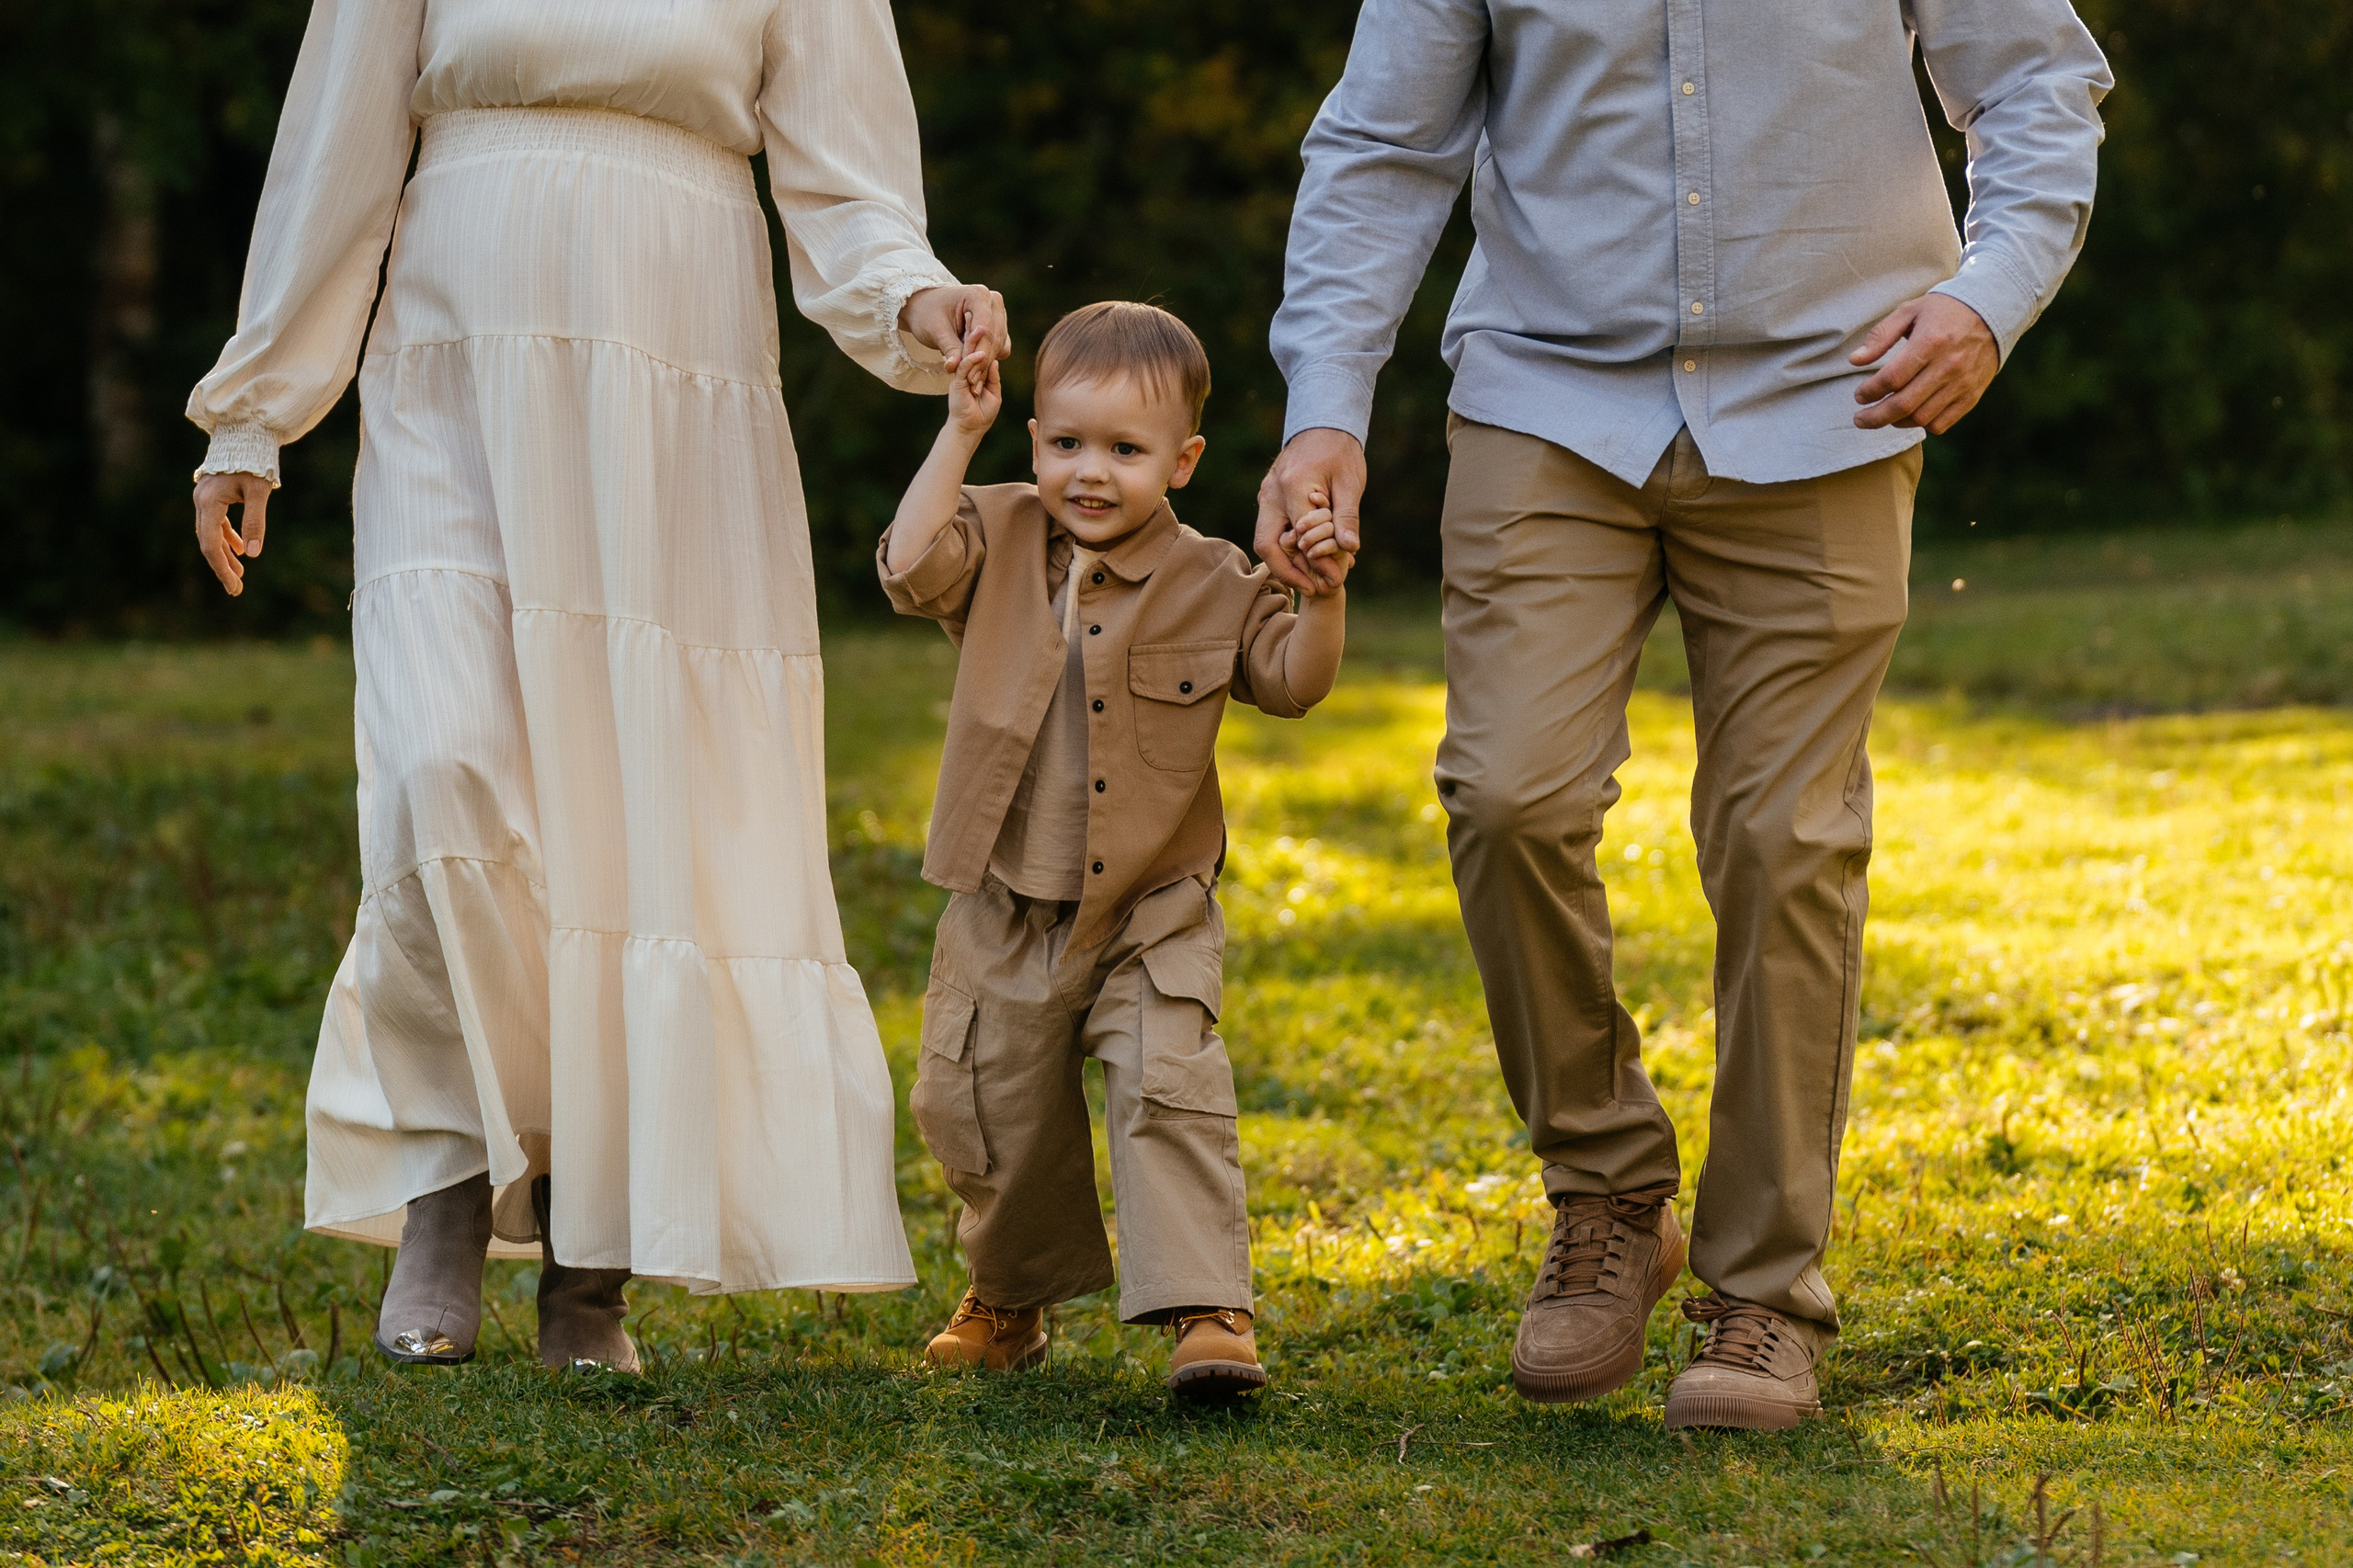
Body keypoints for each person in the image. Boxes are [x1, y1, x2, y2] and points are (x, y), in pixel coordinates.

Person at [1257, 0, 2109, 1428]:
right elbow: (1383, 147)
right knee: (1507, 795)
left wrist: (1985, 294)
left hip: (1833, 392)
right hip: (1548, 394)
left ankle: (1764, 1291)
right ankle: (1604, 1191)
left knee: (1784, 839)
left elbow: (2035, 83)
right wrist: (1326, 409)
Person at [184, 0, 1010, 1371]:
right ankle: (448, 1182)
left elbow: (846, 179)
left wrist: (916, 299)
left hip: (674, 376)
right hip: (455, 360)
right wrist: (255, 406)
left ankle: (591, 1261)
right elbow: (334, 139)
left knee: (640, 807)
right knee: (438, 765)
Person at [876, 302, 1352, 1399]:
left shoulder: (1217, 576)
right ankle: (1007, 1297)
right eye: (1065, 443)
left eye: (1125, 451)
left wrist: (1319, 598)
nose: (1090, 472)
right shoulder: (994, 535)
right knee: (985, 1103)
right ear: (1033, 435)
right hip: (1005, 895)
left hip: (1153, 903)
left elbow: (1291, 682)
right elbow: (907, 568)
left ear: (1181, 461)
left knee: (1170, 1083)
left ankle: (1207, 1309)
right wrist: (958, 431)